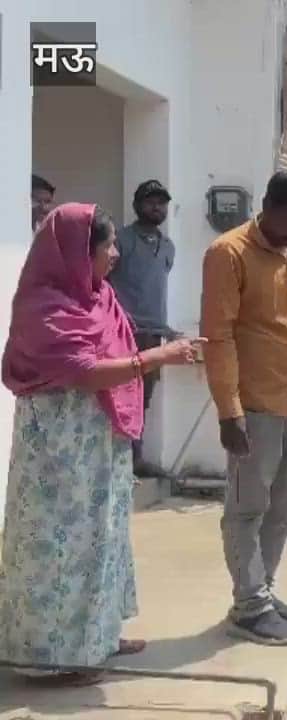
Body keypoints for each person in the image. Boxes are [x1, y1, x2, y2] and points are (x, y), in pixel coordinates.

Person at [0, 204, 201, 685]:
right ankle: (54, 656)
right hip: (58, 452)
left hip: (98, 444)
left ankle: (99, 636)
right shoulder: (43, 305)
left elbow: (116, 352)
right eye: (106, 246)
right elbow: (83, 371)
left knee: (103, 540)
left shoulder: (99, 297)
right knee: (58, 549)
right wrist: (160, 357)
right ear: (74, 253)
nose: (115, 254)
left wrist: (159, 351)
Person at [200, 171, 287, 646]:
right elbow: (217, 336)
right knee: (246, 508)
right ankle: (249, 606)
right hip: (255, 409)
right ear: (268, 207)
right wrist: (228, 409)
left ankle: (264, 589)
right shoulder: (228, 254)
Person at [108, 180, 177, 469]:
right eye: (150, 201)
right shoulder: (121, 240)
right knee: (120, 393)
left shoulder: (167, 246)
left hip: (153, 334)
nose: (156, 207)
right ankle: (119, 458)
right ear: (137, 205)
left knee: (144, 396)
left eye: (161, 202)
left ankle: (135, 457)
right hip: (124, 331)